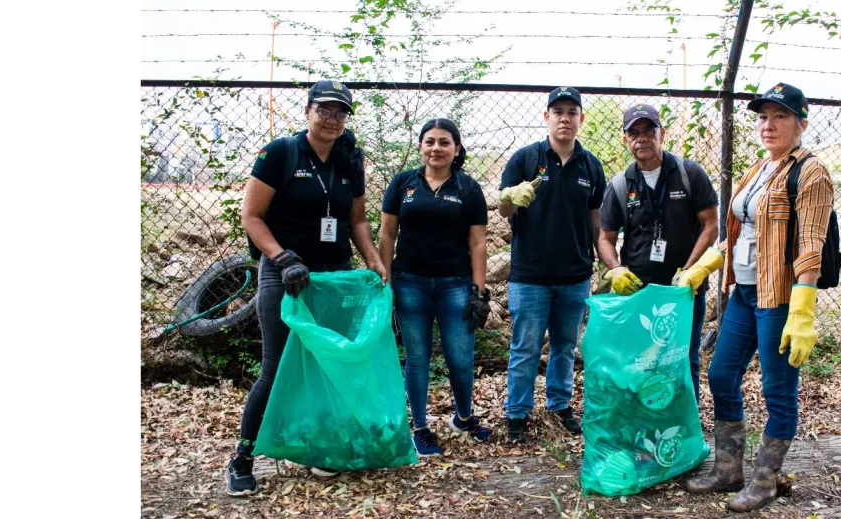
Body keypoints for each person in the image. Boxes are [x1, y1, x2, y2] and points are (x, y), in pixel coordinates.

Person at [225, 80, 388, 496]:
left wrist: (373, 261)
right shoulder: (281, 153)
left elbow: (356, 221)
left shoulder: (350, 159)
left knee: (329, 363)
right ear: (308, 111)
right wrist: (281, 258)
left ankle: (320, 447)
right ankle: (242, 457)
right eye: (325, 109)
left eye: (341, 112)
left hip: (334, 277)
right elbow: (252, 217)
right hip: (287, 273)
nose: (332, 119)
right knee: (277, 365)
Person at [684, 83, 834, 512]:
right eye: (763, 117)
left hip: (781, 297)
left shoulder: (810, 172)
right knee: (721, 375)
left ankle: (765, 481)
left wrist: (803, 310)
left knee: (778, 391)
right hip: (745, 295)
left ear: (801, 122)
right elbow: (739, 232)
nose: (768, 125)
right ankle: (729, 469)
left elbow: (810, 243)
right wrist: (706, 267)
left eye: (780, 116)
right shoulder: (759, 168)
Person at [378, 118, 494, 456]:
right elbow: (387, 234)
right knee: (417, 357)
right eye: (430, 141)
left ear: (456, 149)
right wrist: (384, 279)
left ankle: (464, 417)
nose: (436, 148)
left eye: (444, 142)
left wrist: (478, 289)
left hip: (455, 283)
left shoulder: (468, 188)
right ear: (420, 146)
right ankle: (421, 428)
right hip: (410, 281)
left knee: (460, 357)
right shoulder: (403, 184)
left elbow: (478, 243)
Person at [497, 86, 607, 443]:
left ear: (581, 119)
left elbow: (596, 220)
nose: (564, 118)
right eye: (557, 111)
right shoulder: (525, 158)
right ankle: (517, 412)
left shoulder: (591, 165)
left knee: (565, 345)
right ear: (546, 117)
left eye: (571, 112)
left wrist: (605, 263)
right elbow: (503, 209)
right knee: (526, 346)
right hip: (529, 274)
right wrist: (511, 198)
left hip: (575, 273)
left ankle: (559, 406)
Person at [595, 103, 720, 402]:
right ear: (626, 140)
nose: (642, 139)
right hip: (641, 293)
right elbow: (605, 238)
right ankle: (648, 420)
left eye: (648, 131)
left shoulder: (689, 174)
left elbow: (711, 225)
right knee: (643, 358)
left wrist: (690, 269)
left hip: (684, 291)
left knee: (683, 357)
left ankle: (685, 422)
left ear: (661, 134)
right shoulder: (620, 185)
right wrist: (616, 269)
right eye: (633, 133)